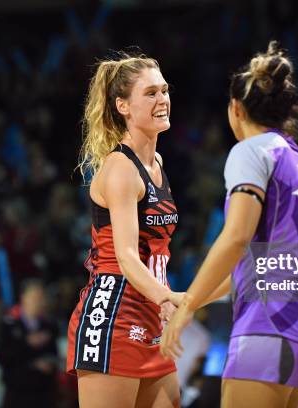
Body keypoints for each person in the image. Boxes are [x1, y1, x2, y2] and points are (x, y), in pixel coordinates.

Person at [160, 41, 298, 408]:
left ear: (236, 109)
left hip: (268, 322)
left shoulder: (250, 151)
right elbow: (251, 264)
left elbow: (236, 237)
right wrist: (194, 296)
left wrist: (188, 306)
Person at [65, 51, 180, 408]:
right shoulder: (121, 169)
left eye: (164, 91)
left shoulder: (157, 163)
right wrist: (169, 297)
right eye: (150, 93)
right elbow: (128, 257)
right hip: (112, 316)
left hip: (149, 316)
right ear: (123, 106)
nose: (162, 100)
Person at [0, 279, 58, 408]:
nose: (39, 302)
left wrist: (48, 363)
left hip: (43, 395)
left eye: (41, 298)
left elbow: (54, 356)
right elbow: (1, 357)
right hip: (17, 394)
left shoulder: (49, 326)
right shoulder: (8, 324)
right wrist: (26, 343)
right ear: (23, 297)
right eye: (35, 297)